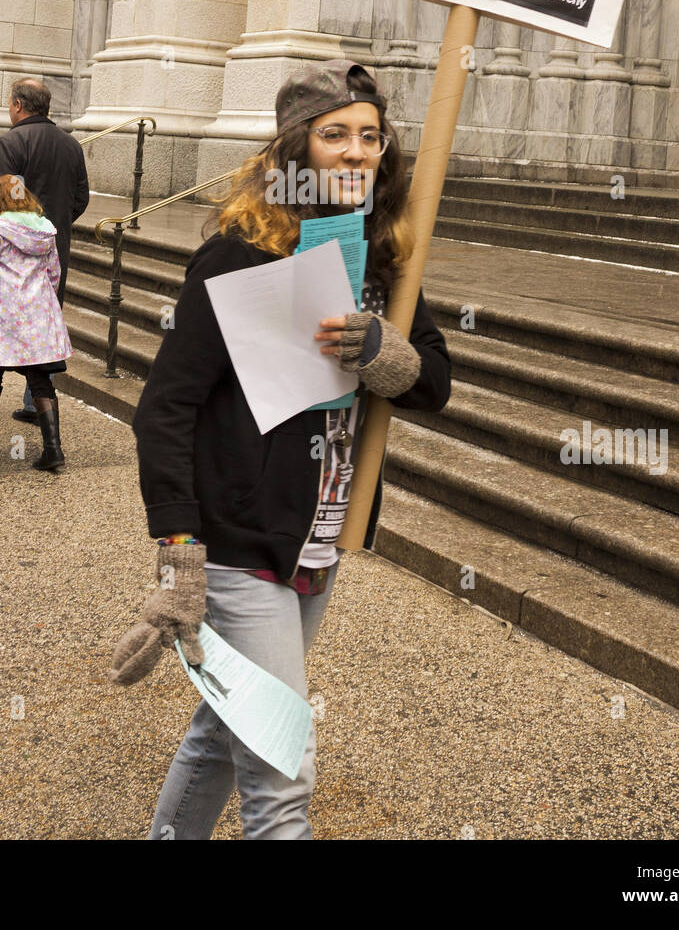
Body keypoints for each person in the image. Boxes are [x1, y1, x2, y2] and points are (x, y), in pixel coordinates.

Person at [108, 60, 452, 840]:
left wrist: (386, 356)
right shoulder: (237, 253)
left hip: (316, 537)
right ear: (296, 152)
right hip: (235, 543)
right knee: (281, 767)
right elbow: (164, 409)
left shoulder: (384, 261)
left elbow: (433, 382)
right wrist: (178, 549)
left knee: (225, 735)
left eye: (371, 135)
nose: (358, 150)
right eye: (336, 135)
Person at [0, 78, 89, 423]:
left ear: (17, 104)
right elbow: (80, 199)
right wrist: (50, 225)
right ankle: (35, 405)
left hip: (11, 254)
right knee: (43, 325)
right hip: (52, 248)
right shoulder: (71, 145)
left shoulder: (12, 141)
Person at [0, 174, 72, 470]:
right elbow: (54, 274)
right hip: (38, 313)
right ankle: (53, 450)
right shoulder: (45, 231)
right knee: (39, 378)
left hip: (4, 313)